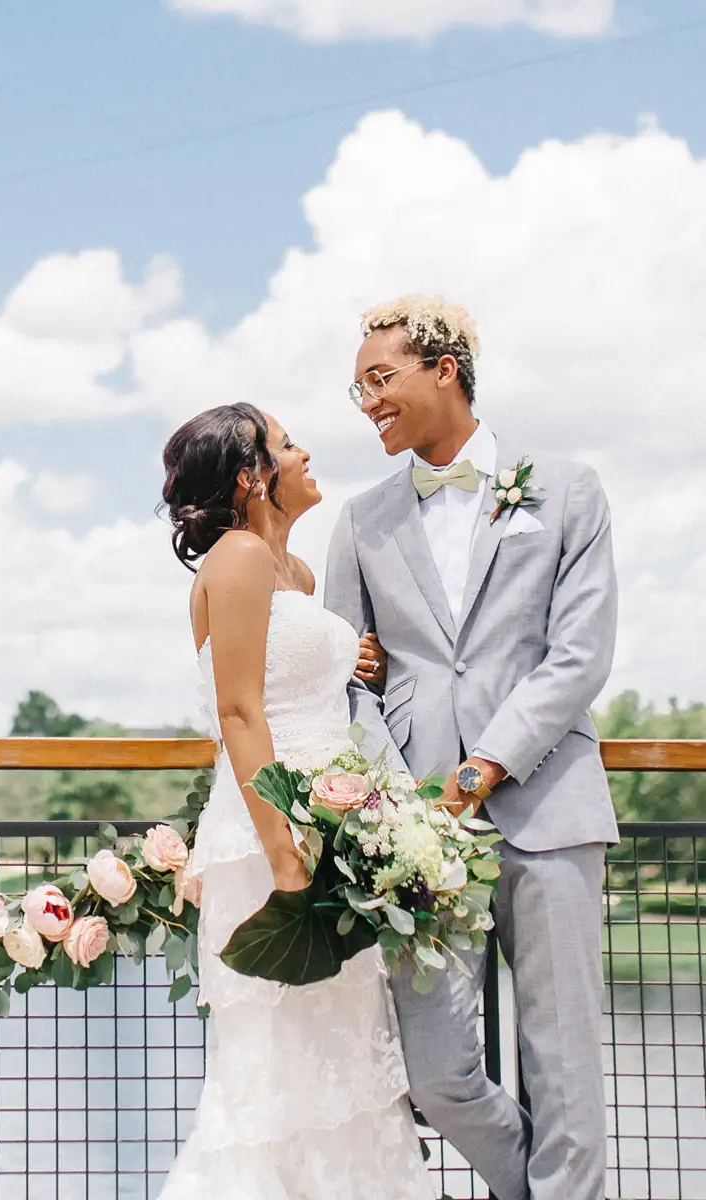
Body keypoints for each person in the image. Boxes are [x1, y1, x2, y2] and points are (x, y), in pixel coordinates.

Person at [325, 295, 618, 1200]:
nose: (367, 401)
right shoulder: (362, 520)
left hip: (549, 800)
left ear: (442, 368)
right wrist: (400, 802)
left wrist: (486, 764)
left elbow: (580, 655)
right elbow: (342, 677)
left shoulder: (566, 489)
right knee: (437, 1071)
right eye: (358, 387)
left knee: (566, 1065)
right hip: (417, 834)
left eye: (381, 378)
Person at [157, 402, 433, 1200]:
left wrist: (362, 659)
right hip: (271, 839)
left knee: (347, 1065)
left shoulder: (298, 575)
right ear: (251, 477)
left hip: (339, 835)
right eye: (286, 444)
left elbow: (305, 676)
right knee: (273, 1077)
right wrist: (285, 855)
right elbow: (242, 712)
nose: (305, 451)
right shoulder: (238, 556)